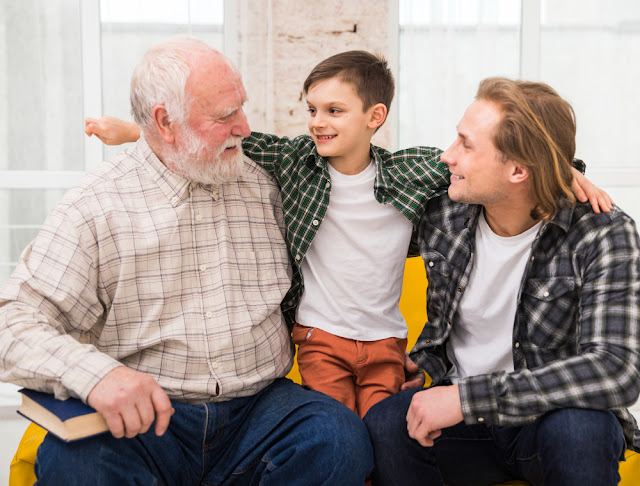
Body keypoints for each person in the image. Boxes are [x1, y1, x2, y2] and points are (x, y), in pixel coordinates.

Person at [84, 51, 611, 420]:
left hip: (385, 341)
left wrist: (566, 171)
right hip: (319, 337)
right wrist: (133, 131)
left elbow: (497, 161)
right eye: (312, 109)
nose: (317, 122)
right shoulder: (295, 163)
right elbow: (236, 142)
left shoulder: (412, 170)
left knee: (384, 433)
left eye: (334, 111)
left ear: (374, 117)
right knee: (337, 430)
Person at [0, 37, 374, 485]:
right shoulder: (95, 205)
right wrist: (98, 377)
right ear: (165, 122)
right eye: (225, 116)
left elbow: (354, 247)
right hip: (145, 419)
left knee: (340, 441)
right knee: (75, 463)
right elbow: (13, 323)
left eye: (242, 107)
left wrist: (375, 340)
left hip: (259, 411)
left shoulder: (266, 186)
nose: (246, 128)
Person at [363, 77, 640, 486]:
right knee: (388, 422)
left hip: (545, 422)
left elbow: (616, 369)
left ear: (517, 170)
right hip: (462, 428)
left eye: (466, 144)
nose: (447, 156)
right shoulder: (444, 214)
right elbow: (374, 171)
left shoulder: (602, 232)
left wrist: (466, 398)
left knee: (581, 428)